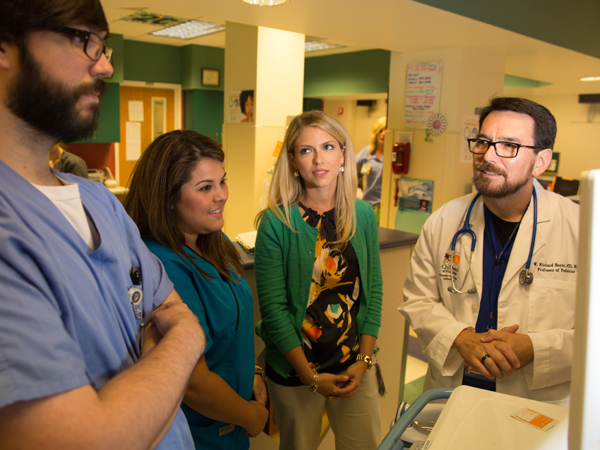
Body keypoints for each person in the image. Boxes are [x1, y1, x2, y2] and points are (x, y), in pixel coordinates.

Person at [0, 1, 206, 448]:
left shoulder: (99, 200)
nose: (106, 66)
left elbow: (176, 310)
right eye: (83, 40)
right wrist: (186, 342)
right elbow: (95, 439)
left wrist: (176, 335)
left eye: (104, 45)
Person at [399, 97, 578, 407]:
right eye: (483, 142)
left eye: (509, 146)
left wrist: (536, 348)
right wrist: (461, 338)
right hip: (454, 393)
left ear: (541, 161)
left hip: (539, 406)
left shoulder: (584, 230)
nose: (488, 156)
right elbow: (418, 300)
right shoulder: (444, 221)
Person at [125, 130, 269, 449]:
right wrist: (250, 416)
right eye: (205, 187)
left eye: (222, 181)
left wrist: (253, 372)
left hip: (232, 424)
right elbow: (193, 381)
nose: (221, 195)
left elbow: (234, 331)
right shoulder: (162, 264)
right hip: (202, 434)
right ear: (168, 198)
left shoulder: (214, 244)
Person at [254, 110, 383, 450]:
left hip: (354, 363)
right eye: (306, 150)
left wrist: (364, 361)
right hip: (296, 372)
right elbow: (275, 312)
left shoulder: (363, 216)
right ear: (293, 161)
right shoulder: (276, 223)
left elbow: (373, 294)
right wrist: (311, 379)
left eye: (327, 147)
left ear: (343, 155)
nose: (318, 159)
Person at [356, 116, 386, 222]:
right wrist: (357, 187)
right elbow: (352, 169)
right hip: (368, 202)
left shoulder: (392, 154)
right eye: (380, 130)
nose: (383, 133)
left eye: (386, 130)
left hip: (385, 205)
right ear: (376, 133)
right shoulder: (367, 153)